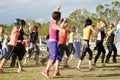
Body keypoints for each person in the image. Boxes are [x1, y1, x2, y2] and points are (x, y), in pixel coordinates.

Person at [41, 11, 65, 79]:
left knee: (59, 57)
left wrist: (57, 9)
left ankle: (56, 71)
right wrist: (65, 30)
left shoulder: (53, 22)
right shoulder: (55, 25)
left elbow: (56, 19)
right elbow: (62, 30)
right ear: (58, 18)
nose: (61, 18)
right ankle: (45, 71)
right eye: (60, 16)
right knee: (53, 57)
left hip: (54, 43)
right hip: (52, 43)